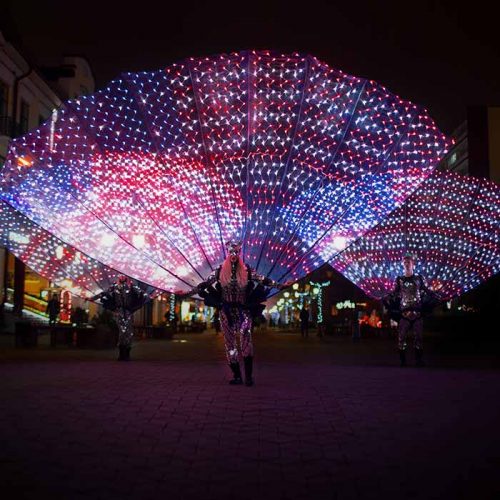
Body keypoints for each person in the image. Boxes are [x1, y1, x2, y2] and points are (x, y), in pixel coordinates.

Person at [186, 239, 287, 386]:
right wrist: (188, 292)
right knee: (230, 344)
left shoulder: (247, 270)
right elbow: (204, 284)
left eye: (236, 252)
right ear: (228, 253)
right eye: (231, 252)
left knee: (246, 341)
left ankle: (249, 377)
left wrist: (280, 285)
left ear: (239, 253)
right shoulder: (220, 271)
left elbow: (263, 280)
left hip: (243, 310)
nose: (233, 254)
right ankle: (237, 375)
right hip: (225, 311)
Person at [384, 253, 437, 367]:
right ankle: (403, 361)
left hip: (417, 313)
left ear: (413, 264)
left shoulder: (419, 278)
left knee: (419, 338)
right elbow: (394, 292)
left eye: (409, 262)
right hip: (404, 313)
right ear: (403, 265)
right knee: (401, 338)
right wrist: (385, 296)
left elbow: (427, 290)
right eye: (405, 262)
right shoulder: (399, 279)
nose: (407, 264)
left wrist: (436, 295)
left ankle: (418, 360)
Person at [88, 275, 153, 361]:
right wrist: (92, 298)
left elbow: (142, 294)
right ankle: (122, 353)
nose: (122, 277)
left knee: (128, 332)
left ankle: (127, 353)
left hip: (128, 312)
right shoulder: (114, 286)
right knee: (122, 331)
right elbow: (104, 293)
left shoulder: (132, 286)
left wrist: (146, 298)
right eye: (121, 276)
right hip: (119, 312)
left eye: (124, 276)